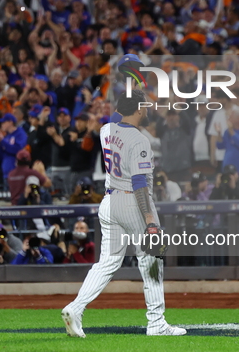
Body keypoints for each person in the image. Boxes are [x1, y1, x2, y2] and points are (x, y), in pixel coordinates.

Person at [62, 89, 186, 337]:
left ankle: (75, 308)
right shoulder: (140, 140)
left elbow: (118, 115)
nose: (148, 110)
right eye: (145, 106)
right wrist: (150, 220)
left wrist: (130, 91)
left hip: (109, 202)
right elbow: (139, 181)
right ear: (139, 109)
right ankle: (156, 322)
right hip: (132, 202)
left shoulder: (106, 130)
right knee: (151, 260)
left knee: (107, 262)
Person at [0, 113, 27, 181]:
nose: (2, 125)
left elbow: (18, 150)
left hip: (17, 173)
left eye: (4, 122)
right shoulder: (7, 136)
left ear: (10, 122)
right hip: (6, 173)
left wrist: (2, 141)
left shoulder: (20, 134)